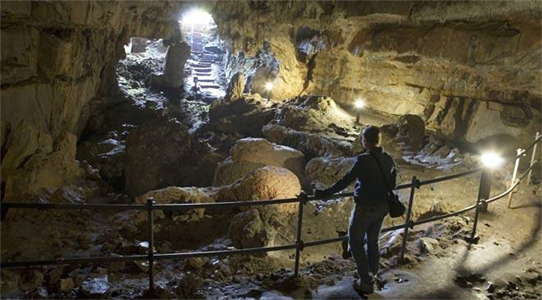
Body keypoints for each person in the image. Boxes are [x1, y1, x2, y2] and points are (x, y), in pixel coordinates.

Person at [315, 125, 396, 294]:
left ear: (365, 141)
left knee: (355, 241)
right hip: (383, 206)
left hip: (365, 207)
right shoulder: (389, 159)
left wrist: (325, 193)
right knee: (373, 241)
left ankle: (366, 281)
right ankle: (372, 274)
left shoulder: (363, 160)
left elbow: (346, 181)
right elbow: (392, 184)